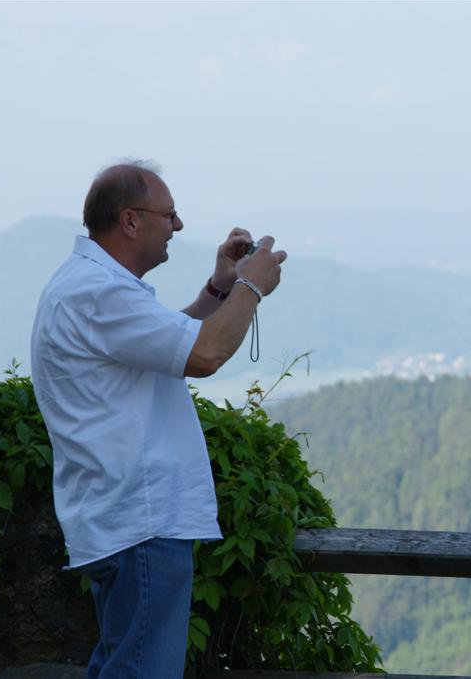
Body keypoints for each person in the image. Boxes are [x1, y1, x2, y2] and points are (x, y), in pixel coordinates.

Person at [30, 160, 288, 678]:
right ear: (130, 220)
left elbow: (175, 342)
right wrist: (250, 289)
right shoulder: (100, 293)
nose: (178, 226)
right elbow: (204, 355)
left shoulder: (92, 286)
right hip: (140, 522)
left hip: (125, 521)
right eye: (169, 214)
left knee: (123, 666)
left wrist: (219, 288)